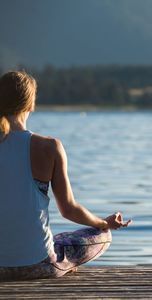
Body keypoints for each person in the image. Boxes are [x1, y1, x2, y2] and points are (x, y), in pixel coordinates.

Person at [0, 71, 132, 281]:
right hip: (39, 266)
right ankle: (65, 263)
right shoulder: (49, 147)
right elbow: (68, 210)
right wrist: (103, 223)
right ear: (31, 104)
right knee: (102, 236)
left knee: (58, 238)